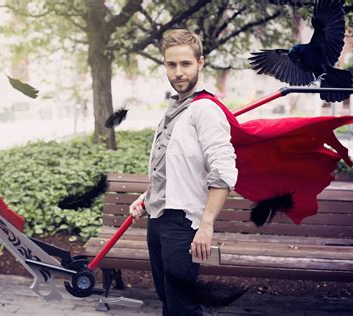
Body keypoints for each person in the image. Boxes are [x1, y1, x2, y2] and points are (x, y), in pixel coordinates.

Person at [129, 29, 238, 315]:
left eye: (186, 64)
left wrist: (206, 225)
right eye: (171, 64)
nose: (178, 72)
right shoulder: (175, 108)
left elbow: (224, 171)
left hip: (182, 224)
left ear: (200, 63)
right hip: (158, 219)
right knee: (168, 299)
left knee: (182, 307)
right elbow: (172, 167)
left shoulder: (205, 110)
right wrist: (146, 196)